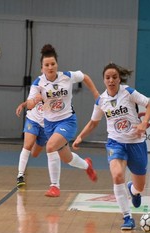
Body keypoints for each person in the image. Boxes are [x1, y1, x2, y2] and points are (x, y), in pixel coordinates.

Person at [73, 63, 150, 230]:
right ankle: (127, 217)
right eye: (108, 77)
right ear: (104, 80)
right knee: (117, 175)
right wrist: (80, 136)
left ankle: (134, 190)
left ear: (119, 79)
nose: (111, 80)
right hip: (115, 143)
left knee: (140, 186)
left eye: (114, 77)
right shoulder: (101, 100)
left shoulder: (128, 92)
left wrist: (144, 123)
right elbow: (93, 123)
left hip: (136, 143)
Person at [25, 44, 100, 197]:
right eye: (46, 65)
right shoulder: (38, 83)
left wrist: (96, 94)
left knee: (50, 146)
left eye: (53, 64)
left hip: (67, 121)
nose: (50, 67)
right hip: (49, 125)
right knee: (67, 158)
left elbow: (84, 76)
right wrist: (35, 100)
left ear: (57, 65)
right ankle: (87, 166)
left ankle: (55, 186)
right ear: (42, 68)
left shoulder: (66, 76)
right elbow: (30, 104)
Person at [15, 95, 62, 197]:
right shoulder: (39, 88)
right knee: (27, 145)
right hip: (33, 120)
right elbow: (30, 102)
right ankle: (20, 175)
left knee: (35, 153)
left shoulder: (58, 93)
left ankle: (36, 139)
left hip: (46, 126)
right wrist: (23, 105)